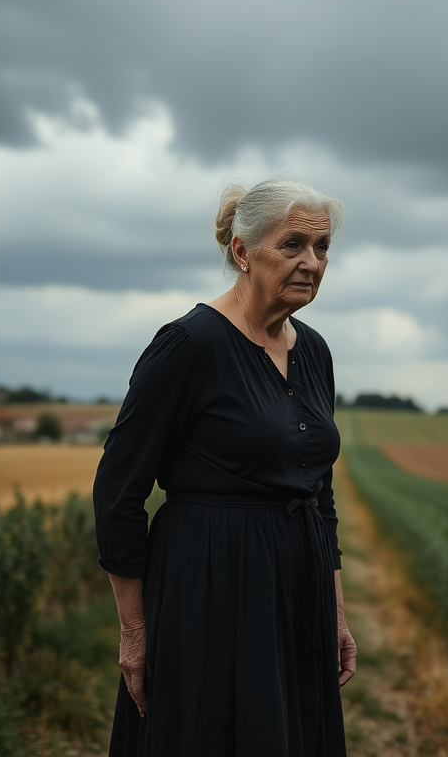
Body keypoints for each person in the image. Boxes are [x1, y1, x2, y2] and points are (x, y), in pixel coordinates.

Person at [93, 177, 356, 757]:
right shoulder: (188, 345)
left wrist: (334, 613)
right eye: (293, 245)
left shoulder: (314, 351)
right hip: (210, 585)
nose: (312, 263)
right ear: (242, 251)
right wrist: (135, 632)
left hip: (296, 591)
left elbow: (321, 496)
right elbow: (118, 491)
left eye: (323, 248)